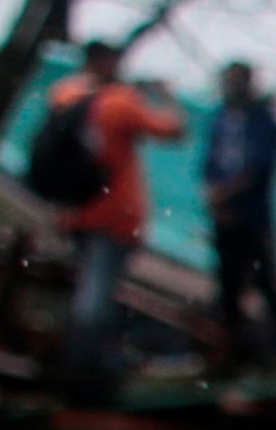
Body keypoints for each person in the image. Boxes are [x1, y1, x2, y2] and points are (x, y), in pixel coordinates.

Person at [34, 45, 184, 395]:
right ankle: (84, 370)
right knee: (97, 293)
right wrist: (164, 97)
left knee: (85, 287)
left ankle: (77, 360)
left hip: (74, 212)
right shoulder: (120, 103)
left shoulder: (64, 95)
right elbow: (174, 131)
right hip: (114, 215)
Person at [199, 61, 276, 367]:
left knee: (264, 276)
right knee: (228, 278)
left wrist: (228, 194)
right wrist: (216, 199)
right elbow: (210, 161)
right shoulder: (221, 117)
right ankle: (233, 342)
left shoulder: (263, 121)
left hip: (252, 213)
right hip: (224, 213)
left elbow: (260, 168)